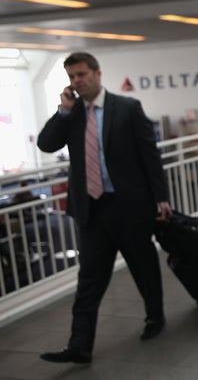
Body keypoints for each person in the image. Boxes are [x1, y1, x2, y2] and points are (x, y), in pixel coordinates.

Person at [36, 52, 172, 364]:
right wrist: (63, 111)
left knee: (144, 267)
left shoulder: (127, 108)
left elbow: (149, 156)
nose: (77, 81)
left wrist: (161, 198)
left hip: (129, 207)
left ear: (98, 73)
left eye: (82, 74)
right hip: (92, 211)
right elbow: (46, 144)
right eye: (71, 77)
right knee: (89, 280)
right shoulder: (72, 115)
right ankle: (79, 345)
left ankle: (155, 317)